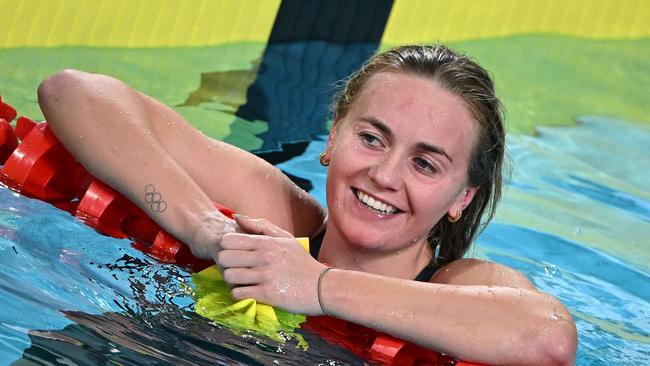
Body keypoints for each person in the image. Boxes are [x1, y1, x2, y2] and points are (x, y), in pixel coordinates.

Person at [37, 45, 577, 365]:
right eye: (372, 138)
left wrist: (315, 285)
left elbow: (548, 339)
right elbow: (73, 93)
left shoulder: (456, 284)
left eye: (425, 163)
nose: (384, 175)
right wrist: (205, 227)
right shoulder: (276, 215)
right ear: (333, 135)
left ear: (462, 197)